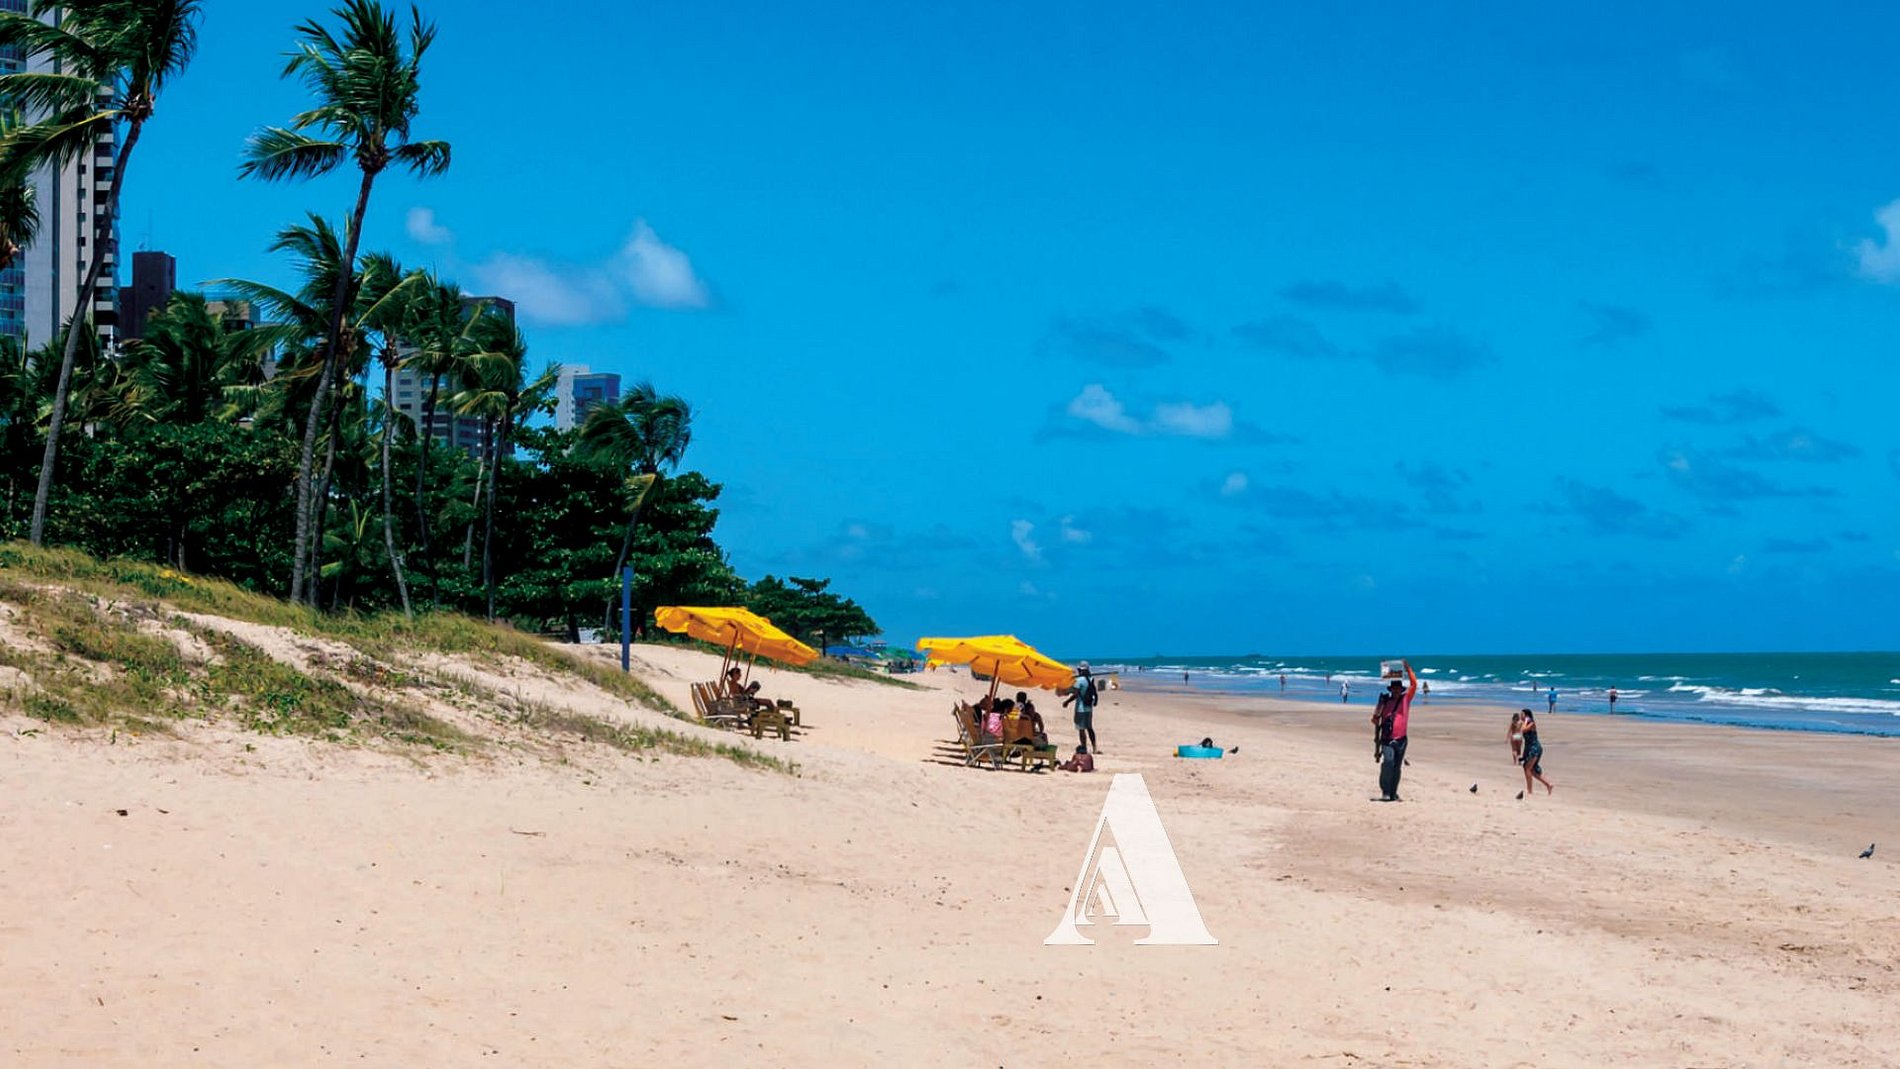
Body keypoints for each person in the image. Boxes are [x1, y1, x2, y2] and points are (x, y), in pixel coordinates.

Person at [1373, 661, 1418, 801]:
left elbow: (1414, 684)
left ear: (1401, 689)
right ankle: (1386, 792)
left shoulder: (1406, 699)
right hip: (1387, 739)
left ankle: (1393, 792)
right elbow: (1375, 719)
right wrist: (1377, 717)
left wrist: (1408, 668)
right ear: (1391, 689)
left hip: (1402, 740)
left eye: (1398, 688)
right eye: (1394, 689)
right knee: (1388, 764)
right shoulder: (1384, 701)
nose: (1396, 691)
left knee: (1397, 767)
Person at [1061, 661, 1100, 754]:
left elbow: (1075, 693)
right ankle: (1094, 748)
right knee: (1089, 728)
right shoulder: (1091, 679)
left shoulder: (1079, 680)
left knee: (1081, 729)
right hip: (1089, 708)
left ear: (1080, 670)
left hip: (1080, 708)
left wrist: (1067, 701)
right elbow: (1093, 692)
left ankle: (1084, 747)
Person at [1518, 708, 1553, 795]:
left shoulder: (1531, 723)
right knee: (1531, 770)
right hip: (1530, 748)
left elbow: (1523, 730)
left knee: (1527, 768)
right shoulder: (1525, 723)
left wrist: (1526, 721)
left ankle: (1530, 791)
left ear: (1526, 716)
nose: (1520, 716)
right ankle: (1548, 784)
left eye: (1522, 714)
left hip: (1535, 748)